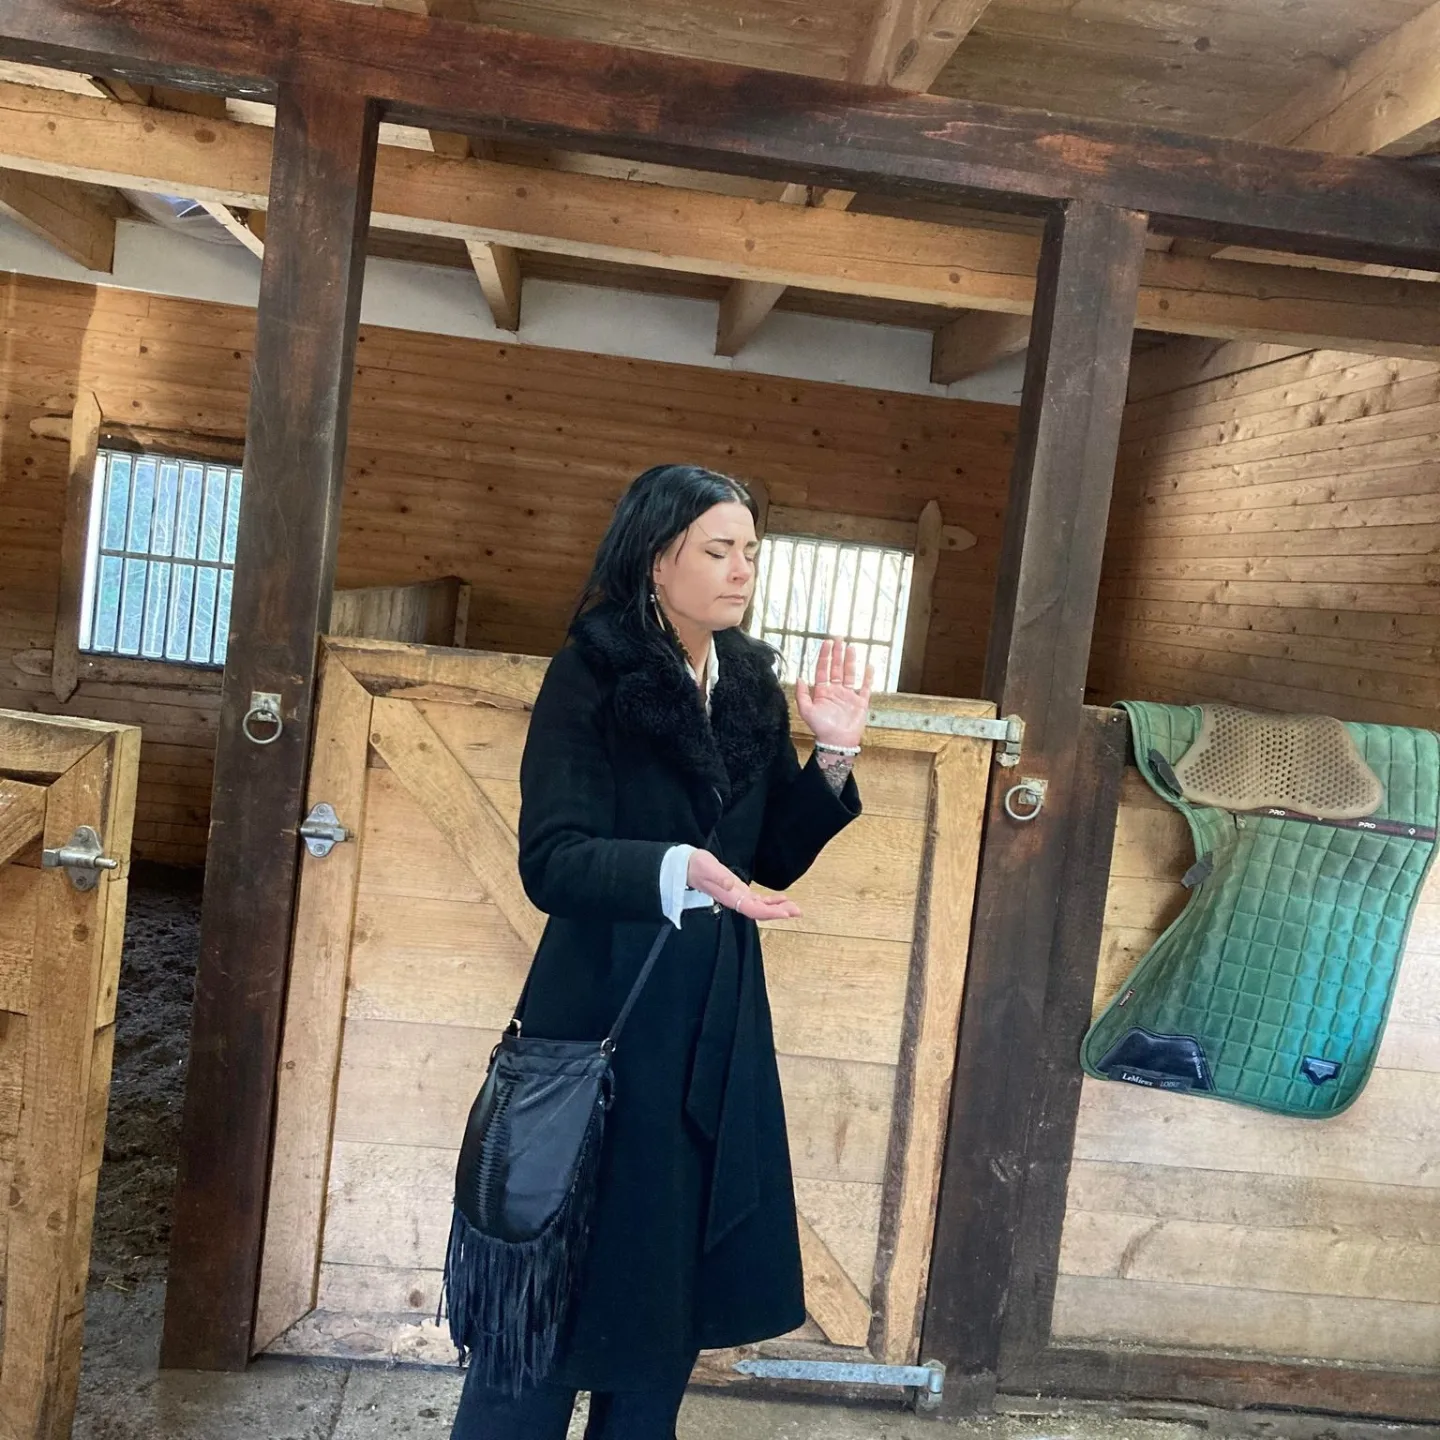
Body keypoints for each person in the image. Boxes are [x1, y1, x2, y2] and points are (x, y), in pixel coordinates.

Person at [450, 463, 869, 1440]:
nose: (741, 571)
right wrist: (676, 867)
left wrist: (833, 756)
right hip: (601, 1026)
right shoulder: (591, 672)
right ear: (655, 559)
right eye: (718, 551)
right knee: (542, 1324)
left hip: (710, 1039)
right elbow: (552, 860)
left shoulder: (748, 682)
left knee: (661, 1317)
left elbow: (767, 859)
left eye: (750, 551)